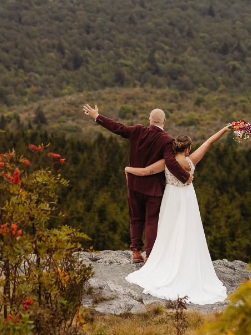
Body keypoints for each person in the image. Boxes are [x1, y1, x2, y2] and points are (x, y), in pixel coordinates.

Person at [124, 125, 231, 303]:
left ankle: (167, 260)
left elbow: (146, 172)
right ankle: (187, 262)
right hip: (188, 199)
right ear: (188, 148)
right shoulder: (191, 161)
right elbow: (209, 142)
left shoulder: (167, 162)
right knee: (188, 231)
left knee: (169, 231)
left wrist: (128, 169)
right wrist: (224, 130)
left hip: (171, 199)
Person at [82, 104, 191, 263]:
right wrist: (185, 177)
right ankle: (150, 255)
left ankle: (136, 252)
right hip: (153, 188)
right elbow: (170, 161)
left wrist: (97, 116)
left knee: (136, 218)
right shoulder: (167, 140)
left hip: (134, 185)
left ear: (149, 120)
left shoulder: (138, 130)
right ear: (164, 121)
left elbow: (118, 128)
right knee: (152, 220)